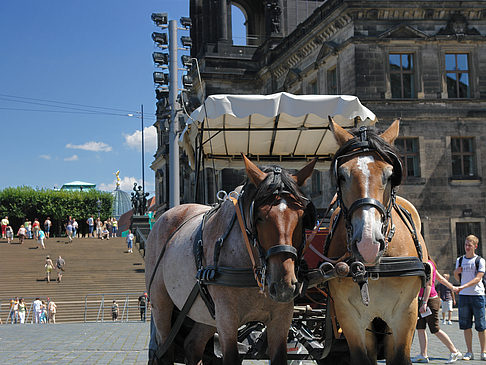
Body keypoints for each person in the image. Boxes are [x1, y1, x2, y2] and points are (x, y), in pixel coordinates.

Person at [412, 258, 462, 363]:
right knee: (420, 328)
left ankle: (454, 351)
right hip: (421, 300)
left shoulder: (428, 265)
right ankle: (423, 355)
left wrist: (424, 303)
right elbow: (441, 279)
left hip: (429, 301)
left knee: (435, 329)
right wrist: (453, 288)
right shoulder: (424, 264)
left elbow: (429, 285)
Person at [453, 234, 486, 361]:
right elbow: (458, 278)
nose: (467, 247)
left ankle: (483, 351)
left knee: (481, 326)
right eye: (466, 244)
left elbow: (478, 278)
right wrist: (456, 273)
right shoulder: (460, 260)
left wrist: (462, 286)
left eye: (469, 245)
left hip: (478, 296)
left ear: (475, 246)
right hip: (464, 296)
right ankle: (469, 352)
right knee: (466, 325)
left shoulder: (480, 261)